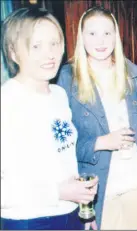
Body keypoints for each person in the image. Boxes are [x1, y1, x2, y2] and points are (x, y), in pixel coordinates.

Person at [57, 6, 137, 230]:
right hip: (100, 190)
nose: (101, 40)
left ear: (116, 36)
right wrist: (100, 142)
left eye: (107, 33)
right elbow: (59, 147)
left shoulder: (134, 75)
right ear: (81, 37)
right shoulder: (66, 80)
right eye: (92, 33)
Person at [1, 7, 98, 230]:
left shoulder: (59, 95)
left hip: (70, 214)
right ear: (14, 52)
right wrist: (57, 192)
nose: (50, 54)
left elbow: (61, 160)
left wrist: (84, 208)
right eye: (36, 46)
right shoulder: (7, 101)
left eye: (54, 43)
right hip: (29, 220)